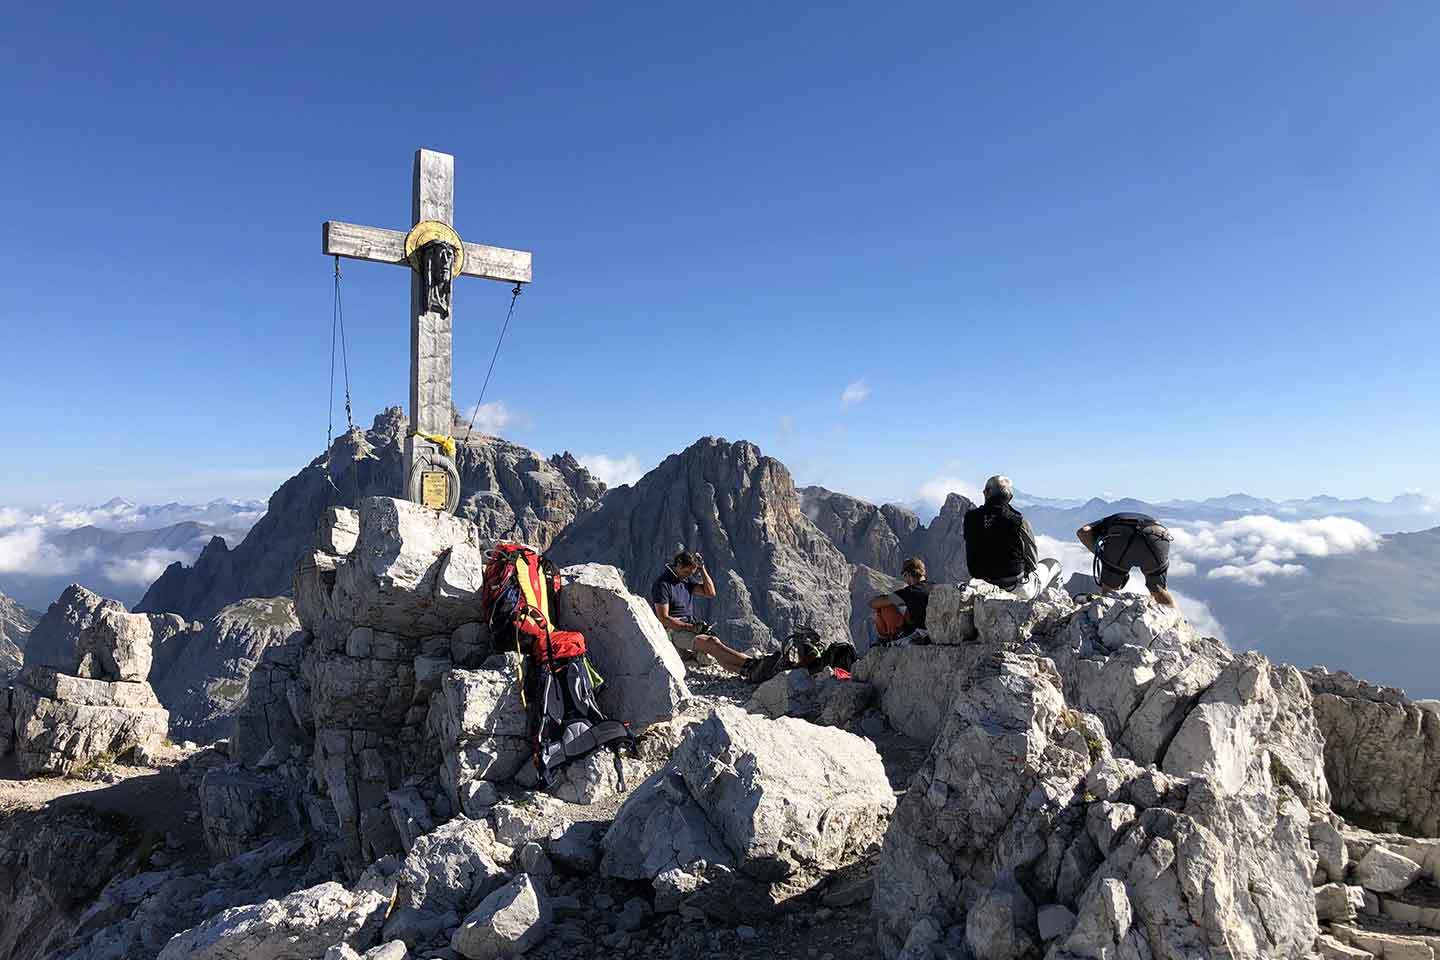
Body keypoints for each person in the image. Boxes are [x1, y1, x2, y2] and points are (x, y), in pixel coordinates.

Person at [650, 551, 761, 678]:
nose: (687, 576)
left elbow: (710, 592)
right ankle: (751, 664)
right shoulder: (662, 585)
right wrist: (691, 628)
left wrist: (702, 569)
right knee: (711, 642)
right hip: (673, 631)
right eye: (686, 572)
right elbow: (663, 618)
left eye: (691, 574)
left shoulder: (685, 580)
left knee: (715, 648)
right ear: (679, 565)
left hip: (689, 626)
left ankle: (748, 671)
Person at [963, 475, 1062, 598]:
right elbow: (1033, 564)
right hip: (1016, 587)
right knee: (1055, 564)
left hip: (982, 584)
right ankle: (1052, 604)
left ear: (985, 493)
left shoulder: (970, 519)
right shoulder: (1019, 522)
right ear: (1010, 497)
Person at [1076, 513, 1176, 606]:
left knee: (1110, 590)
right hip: (1156, 534)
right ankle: (1176, 618)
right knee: (1159, 590)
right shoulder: (1116, 518)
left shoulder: (1104, 522)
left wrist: (1102, 555)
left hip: (1121, 535)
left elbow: (1083, 531)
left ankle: (1108, 610)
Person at [868, 556, 932, 644]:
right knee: (898, 603)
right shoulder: (935, 587)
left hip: (918, 630)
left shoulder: (910, 592)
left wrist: (895, 600)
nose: (905, 580)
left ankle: (887, 638)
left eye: (904, 576)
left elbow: (873, 603)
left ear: (908, 574)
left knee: (884, 608)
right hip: (934, 628)